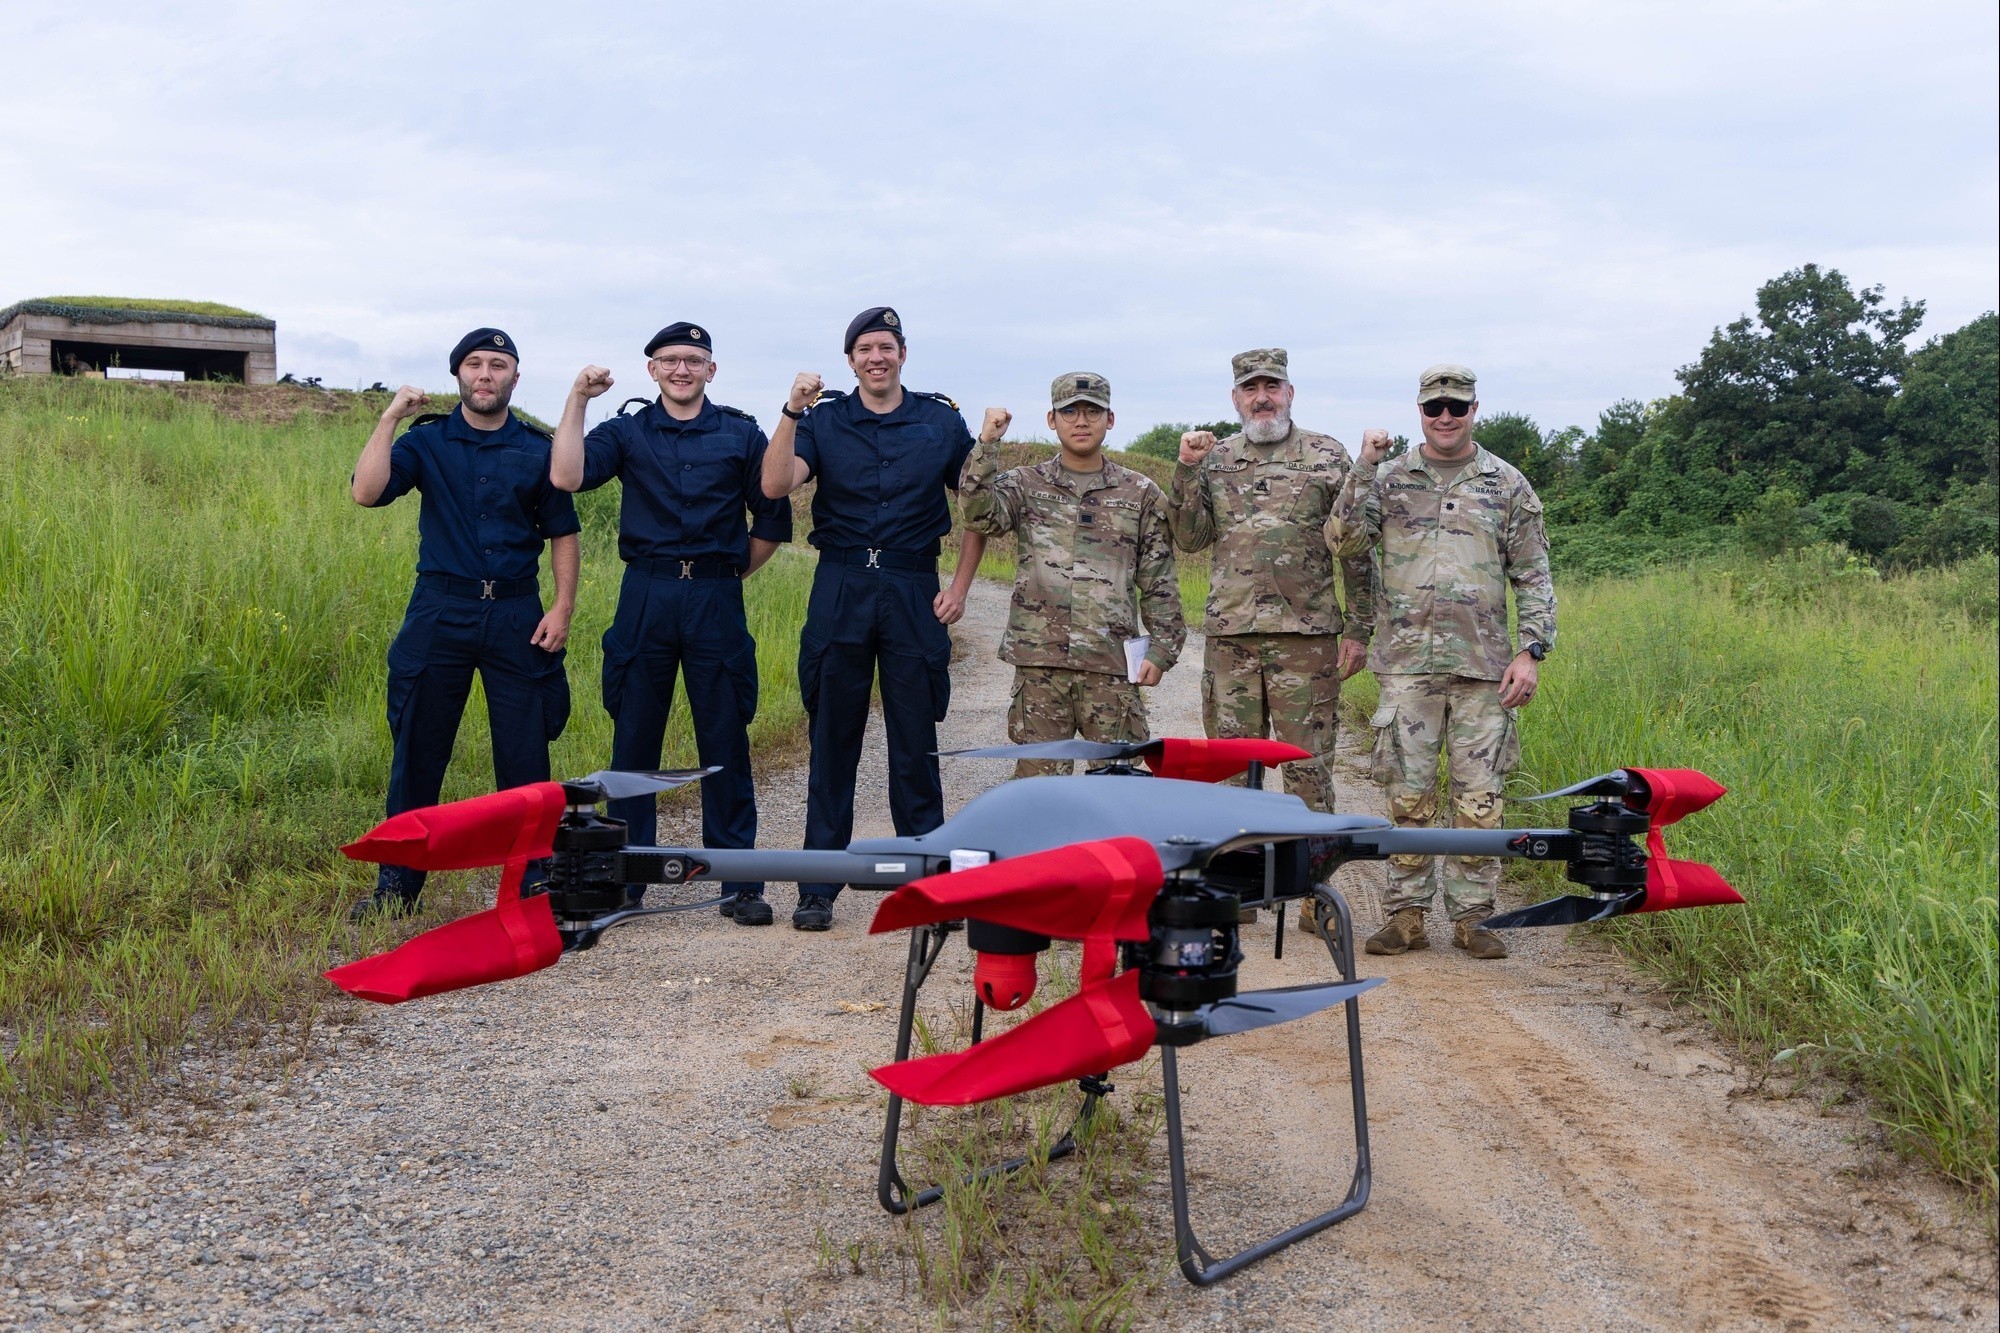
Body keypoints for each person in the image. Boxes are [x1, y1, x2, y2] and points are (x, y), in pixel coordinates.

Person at [551, 322, 792, 926]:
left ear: (712, 370)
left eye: (693, 360)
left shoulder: (741, 434)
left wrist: (728, 574)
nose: (681, 369)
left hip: (715, 596)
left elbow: (771, 518)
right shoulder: (627, 431)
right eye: (669, 360)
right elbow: (567, 476)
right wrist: (578, 398)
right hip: (647, 594)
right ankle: (628, 881)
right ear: (652, 369)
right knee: (634, 742)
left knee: (725, 741)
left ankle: (739, 884)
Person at [760, 307, 991, 930]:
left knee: (915, 745)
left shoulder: (939, 421)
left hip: (913, 587)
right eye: (864, 349)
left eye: (886, 346)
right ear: (851, 360)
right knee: (832, 741)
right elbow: (776, 485)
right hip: (841, 585)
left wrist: (961, 587)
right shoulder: (824, 418)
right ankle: (818, 887)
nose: (876, 358)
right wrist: (790, 412)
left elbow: (981, 504)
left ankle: (930, 886)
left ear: (903, 354)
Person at [1324, 363, 1556, 960]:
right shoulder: (1388, 479)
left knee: (1480, 799)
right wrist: (1364, 465)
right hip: (1408, 664)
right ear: (1420, 411)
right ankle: (1406, 916)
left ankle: (1474, 917)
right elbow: (1342, 540)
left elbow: (1533, 574)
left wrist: (1530, 651)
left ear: (1474, 409)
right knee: (1408, 796)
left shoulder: (1506, 484)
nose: (1445, 417)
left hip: (1484, 667)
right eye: (1434, 407)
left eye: (1457, 406)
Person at [349, 328, 580, 917]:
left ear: (515, 378)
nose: (485, 374)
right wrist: (390, 419)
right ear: (458, 374)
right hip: (440, 611)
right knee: (418, 752)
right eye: (474, 364)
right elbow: (367, 493)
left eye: (498, 365)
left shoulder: (537, 448)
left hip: (517, 614)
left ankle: (531, 884)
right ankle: (396, 888)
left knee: (525, 758)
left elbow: (563, 532)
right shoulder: (427, 442)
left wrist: (562, 607)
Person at [1167, 347, 1373, 933]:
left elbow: (1355, 549)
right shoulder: (1215, 459)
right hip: (1232, 638)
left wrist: (1359, 629)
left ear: (1290, 392)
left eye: (1272, 386)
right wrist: (1184, 469)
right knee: (1231, 768)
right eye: (1251, 388)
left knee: (1310, 768)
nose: (1263, 397)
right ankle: (1238, 891)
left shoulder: (1328, 456)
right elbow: (1189, 536)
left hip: (1307, 638)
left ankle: (1313, 892)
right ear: (1235, 398)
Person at [959, 372, 1185, 777]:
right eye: (1070, 412)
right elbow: (979, 516)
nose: (1081, 421)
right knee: (1039, 788)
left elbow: (1159, 579)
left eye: (1092, 412)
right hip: (1040, 667)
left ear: (1110, 419)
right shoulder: (1026, 483)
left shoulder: (1140, 492)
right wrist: (987, 444)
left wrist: (1162, 649)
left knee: (1116, 786)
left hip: (1111, 666)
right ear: (1052, 419)